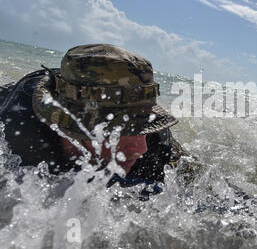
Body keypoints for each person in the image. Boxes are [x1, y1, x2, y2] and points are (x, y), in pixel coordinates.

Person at [0, 44, 187, 190]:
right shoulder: (16, 132)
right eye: (125, 129)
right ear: (76, 129)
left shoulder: (155, 143)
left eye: (144, 126)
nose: (141, 147)